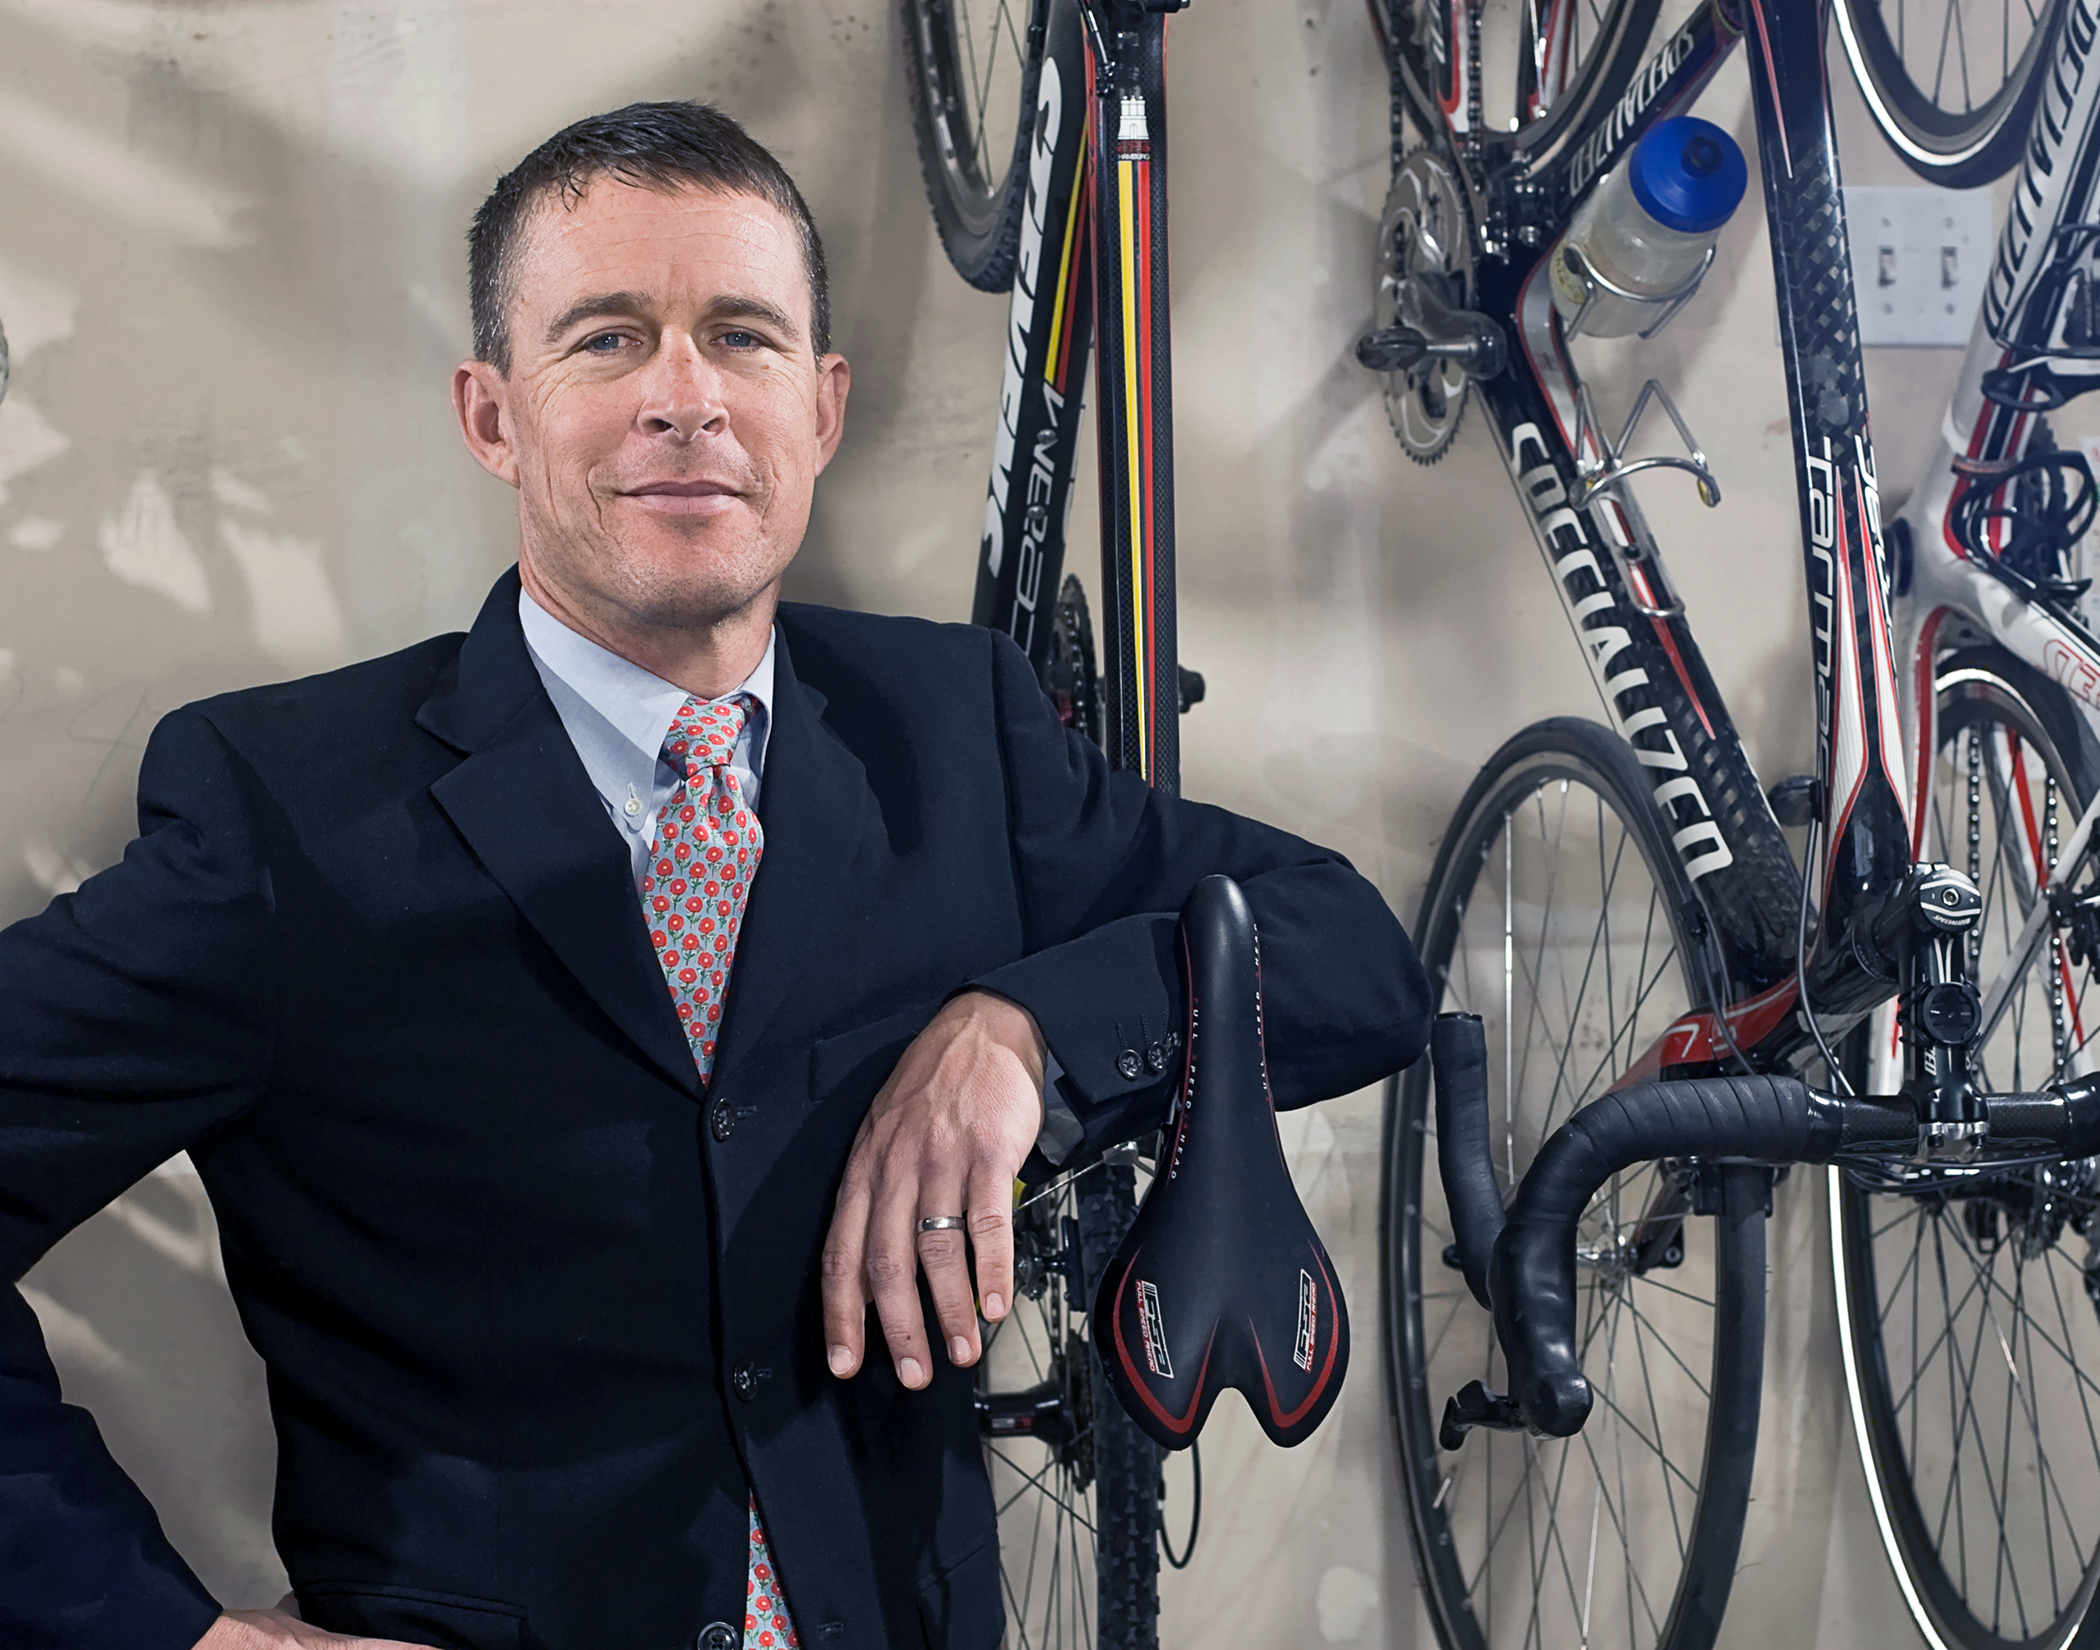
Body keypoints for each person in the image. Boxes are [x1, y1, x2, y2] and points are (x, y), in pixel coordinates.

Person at [0, 102, 1427, 1650]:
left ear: (821, 409)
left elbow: (1354, 954)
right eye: (607, 340)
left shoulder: (955, 731)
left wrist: (1027, 1037)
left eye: (741, 338)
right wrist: (157, 1634)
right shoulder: (284, 807)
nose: (687, 400)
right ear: (491, 415)